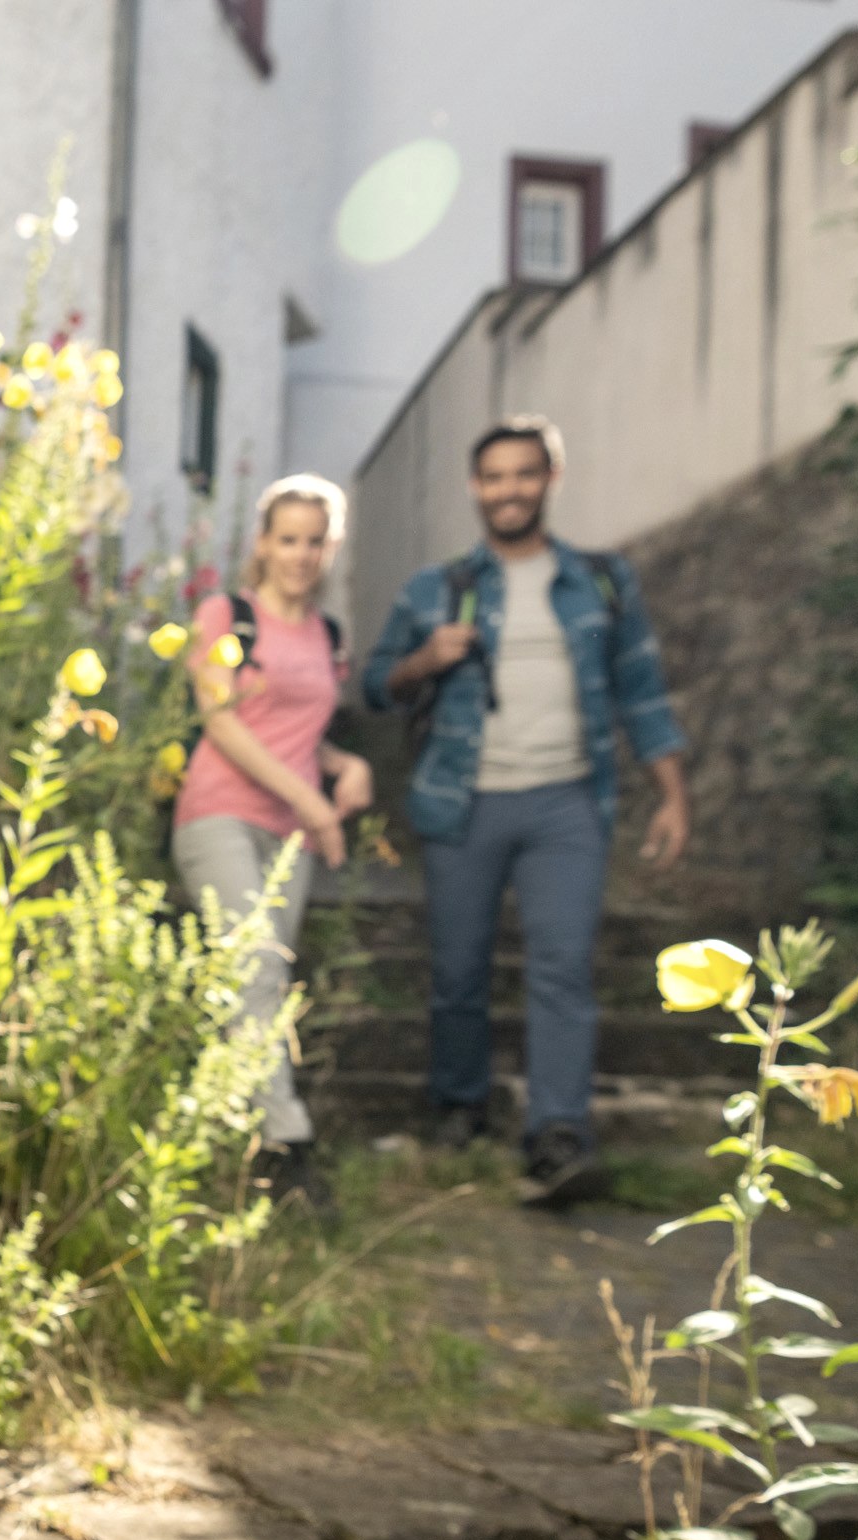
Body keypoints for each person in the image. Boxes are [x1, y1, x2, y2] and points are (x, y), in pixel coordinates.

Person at [360, 416, 689, 1208]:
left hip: (567, 802)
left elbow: (641, 689)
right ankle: (458, 1106)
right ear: (476, 487)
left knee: (563, 967)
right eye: (495, 476)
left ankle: (558, 1133)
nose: (509, 489)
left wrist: (673, 793)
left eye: (524, 473)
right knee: (458, 970)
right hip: (463, 802)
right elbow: (375, 685)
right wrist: (424, 658)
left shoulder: (601, 581)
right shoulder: (435, 588)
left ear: (549, 479)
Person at [171, 473, 374, 1207]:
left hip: (291, 834)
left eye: (315, 541)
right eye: (288, 539)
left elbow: (295, 733)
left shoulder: (328, 636)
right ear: (263, 543)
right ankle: (289, 1148)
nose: (301, 554)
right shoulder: (226, 616)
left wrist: (345, 765)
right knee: (253, 966)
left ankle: (224, 1146)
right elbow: (223, 722)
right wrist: (314, 804)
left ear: (331, 547)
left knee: (261, 986)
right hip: (219, 813)